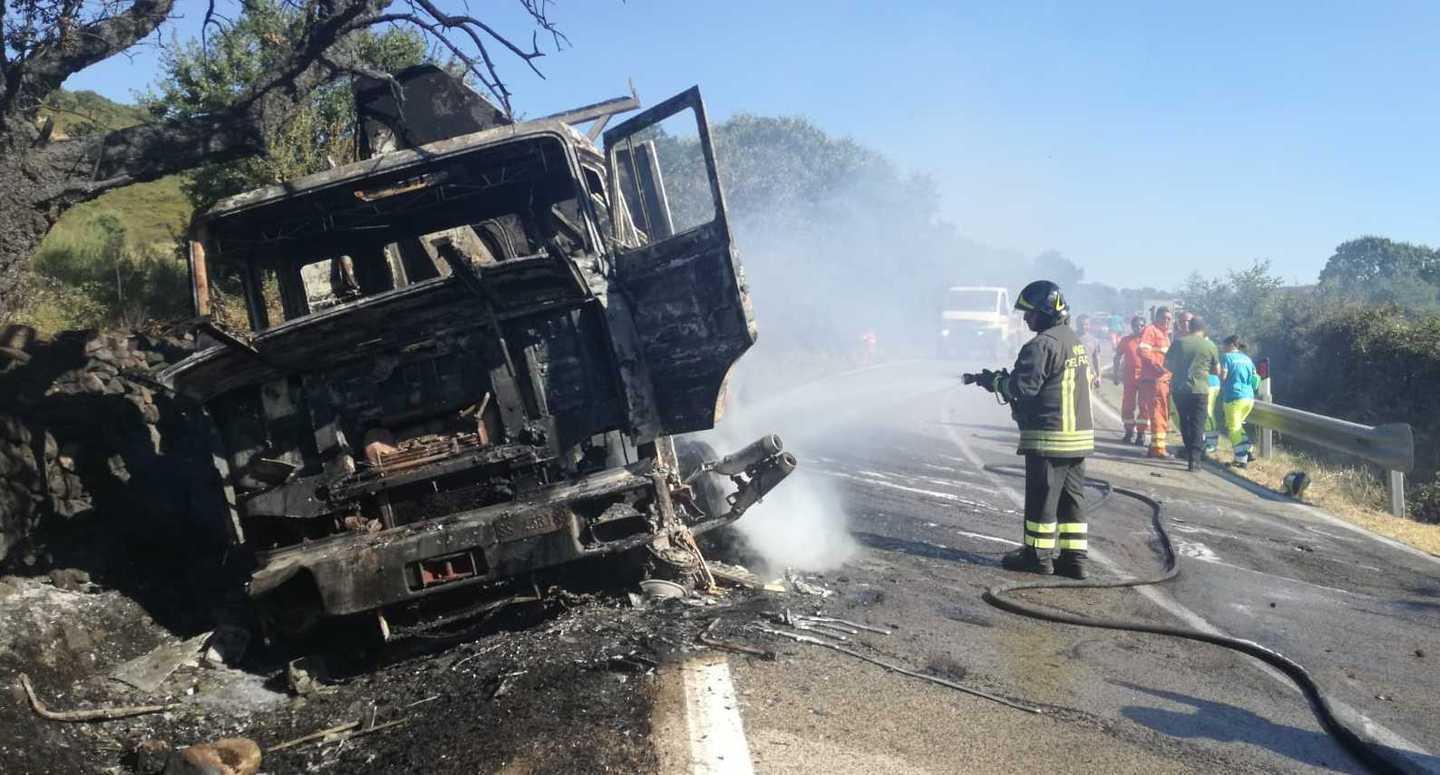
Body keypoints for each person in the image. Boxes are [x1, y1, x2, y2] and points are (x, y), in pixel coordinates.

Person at [974, 280, 1093, 579]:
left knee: (1043, 499)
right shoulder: (1072, 339)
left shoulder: (1041, 345)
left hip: (1050, 436)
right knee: (1071, 499)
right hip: (1077, 437)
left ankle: (1037, 557)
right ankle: (1074, 560)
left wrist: (996, 382)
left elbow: (1022, 388)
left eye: (1030, 313)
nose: (1026, 318)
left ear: (1046, 312)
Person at [1164, 317, 1221, 471]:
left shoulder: (1179, 343)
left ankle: (1188, 450)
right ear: (1204, 328)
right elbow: (1216, 370)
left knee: (1185, 421)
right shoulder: (1210, 345)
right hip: (1200, 390)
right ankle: (1194, 459)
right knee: (1198, 423)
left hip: (1180, 389)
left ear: (1190, 327)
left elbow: (1166, 364)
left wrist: (1180, 370)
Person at [1137, 306, 1174, 458]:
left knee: (1161, 413)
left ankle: (1155, 447)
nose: (1166, 321)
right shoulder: (1151, 330)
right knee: (1158, 413)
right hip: (1155, 379)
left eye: (1169, 319)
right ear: (1157, 318)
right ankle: (1158, 449)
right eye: (1164, 318)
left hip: (1162, 380)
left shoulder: (1165, 335)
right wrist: (1159, 368)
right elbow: (1143, 351)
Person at [1219, 335, 1261, 466]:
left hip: (1233, 397)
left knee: (1233, 428)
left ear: (1231, 345)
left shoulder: (1226, 357)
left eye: (1224, 345)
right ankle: (1248, 450)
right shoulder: (1247, 359)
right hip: (1248, 398)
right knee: (1238, 426)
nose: (1223, 348)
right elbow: (1255, 379)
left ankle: (1240, 459)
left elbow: (1223, 376)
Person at [1112, 315, 1147, 444]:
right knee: (1128, 405)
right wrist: (1116, 374)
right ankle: (1129, 431)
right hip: (1129, 377)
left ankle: (1141, 434)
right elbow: (1117, 357)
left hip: (1145, 378)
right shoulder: (1126, 341)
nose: (1139, 328)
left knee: (1144, 407)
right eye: (1136, 326)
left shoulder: (1148, 341)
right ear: (1132, 327)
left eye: (1141, 325)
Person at [1074, 314, 1103, 390]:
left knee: (1087, 396)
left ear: (1090, 325)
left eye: (1086, 324)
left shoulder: (1094, 340)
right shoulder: (1071, 338)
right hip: (1073, 375)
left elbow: (1096, 359)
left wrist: (1098, 376)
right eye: (1081, 324)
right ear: (1077, 325)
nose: (1084, 327)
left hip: (1088, 375)